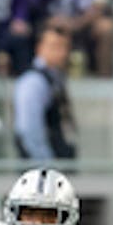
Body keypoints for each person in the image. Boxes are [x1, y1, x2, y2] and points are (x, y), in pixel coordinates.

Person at [13, 26, 76, 162]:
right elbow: (29, 128)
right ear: (39, 47)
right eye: (54, 46)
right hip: (42, 169)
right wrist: (46, 165)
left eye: (65, 47)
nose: (61, 53)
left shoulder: (55, 77)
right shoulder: (33, 81)